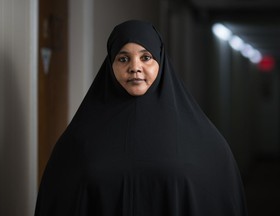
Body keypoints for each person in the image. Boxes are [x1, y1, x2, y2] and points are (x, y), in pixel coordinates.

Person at [35, 20, 248, 216]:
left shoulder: (200, 137)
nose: (135, 67)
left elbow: (220, 193)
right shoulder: (81, 137)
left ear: (160, 62)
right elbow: (58, 196)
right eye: (123, 58)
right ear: (111, 65)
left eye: (146, 57)